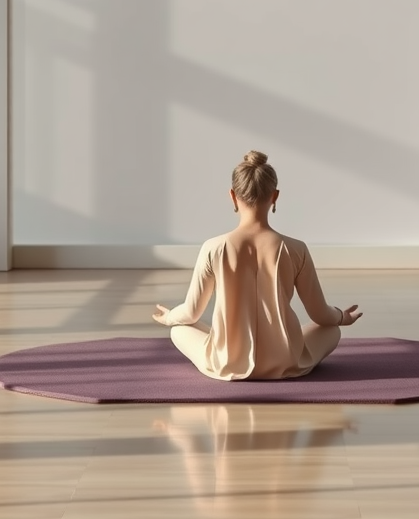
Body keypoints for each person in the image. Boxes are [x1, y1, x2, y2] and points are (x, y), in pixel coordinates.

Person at [153, 150, 362, 380]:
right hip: (286, 361)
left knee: (179, 329)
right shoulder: (296, 249)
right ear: (275, 196)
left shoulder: (213, 248)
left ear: (233, 196)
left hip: (227, 363)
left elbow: (191, 313)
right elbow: (320, 314)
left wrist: (170, 316)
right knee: (332, 331)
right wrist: (342, 317)